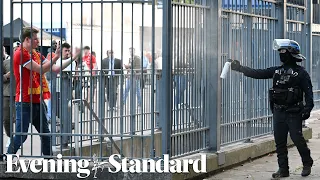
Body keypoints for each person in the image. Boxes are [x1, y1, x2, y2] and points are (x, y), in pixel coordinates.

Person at [230, 39, 314, 178]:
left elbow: (309, 93)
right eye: (279, 51)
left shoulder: (301, 73)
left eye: (283, 51)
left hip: (293, 112)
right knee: (279, 142)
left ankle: (307, 163)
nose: (281, 54)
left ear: (291, 53)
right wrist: (240, 68)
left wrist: (307, 109)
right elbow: (258, 73)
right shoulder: (277, 71)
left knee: (297, 138)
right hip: (278, 111)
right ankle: (283, 169)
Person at [7, 27, 77, 157]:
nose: (38, 41)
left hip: (37, 101)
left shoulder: (36, 54)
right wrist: (56, 56)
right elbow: (41, 70)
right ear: (27, 40)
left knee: (46, 134)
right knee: (21, 136)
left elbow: (55, 69)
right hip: (24, 101)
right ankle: (7, 157)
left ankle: (48, 160)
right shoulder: (20, 54)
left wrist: (73, 59)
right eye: (35, 39)